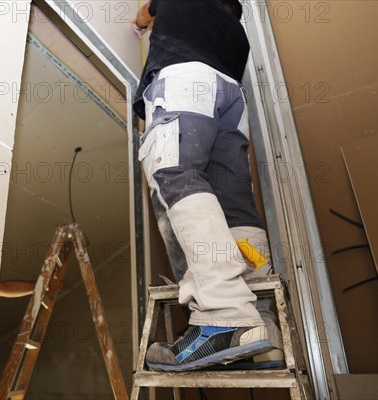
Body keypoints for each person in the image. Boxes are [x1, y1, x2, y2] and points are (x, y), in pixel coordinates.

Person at [131, 0, 283, 371]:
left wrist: (139, 26)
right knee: (233, 205)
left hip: (185, 83)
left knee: (175, 172)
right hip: (229, 98)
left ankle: (223, 315)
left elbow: (143, 14)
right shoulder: (238, 33)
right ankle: (262, 330)